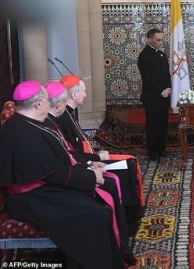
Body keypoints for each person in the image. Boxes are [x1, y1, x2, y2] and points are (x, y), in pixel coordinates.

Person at [0, 81, 124, 268]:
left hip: (40, 192)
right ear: (38, 103)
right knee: (95, 215)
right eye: (46, 100)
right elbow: (57, 173)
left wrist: (88, 173)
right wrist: (92, 178)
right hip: (29, 198)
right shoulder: (25, 134)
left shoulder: (27, 124)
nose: (49, 104)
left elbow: (57, 166)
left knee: (92, 205)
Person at [44, 81, 137, 265]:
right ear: (60, 103)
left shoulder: (51, 121)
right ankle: (119, 244)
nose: (86, 95)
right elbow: (58, 164)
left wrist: (90, 160)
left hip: (76, 168)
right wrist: (90, 167)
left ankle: (124, 236)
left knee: (127, 166)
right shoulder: (47, 123)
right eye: (84, 91)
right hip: (60, 184)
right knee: (110, 184)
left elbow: (69, 151)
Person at [56, 74, 143, 237]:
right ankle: (128, 221)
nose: (86, 95)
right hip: (85, 163)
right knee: (126, 167)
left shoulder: (70, 114)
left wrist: (95, 153)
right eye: (84, 91)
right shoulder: (62, 119)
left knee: (130, 162)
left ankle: (131, 216)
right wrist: (97, 158)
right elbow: (71, 152)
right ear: (74, 95)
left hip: (89, 157)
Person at [137, 28, 172, 161]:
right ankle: (153, 153)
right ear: (150, 39)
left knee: (163, 124)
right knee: (153, 126)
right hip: (152, 97)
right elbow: (147, 78)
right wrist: (160, 91)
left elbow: (166, 75)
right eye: (158, 40)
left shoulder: (162, 55)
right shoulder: (144, 55)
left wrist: (168, 88)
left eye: (161, 39)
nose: (160, 42)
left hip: (164, 97)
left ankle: (161, 149)